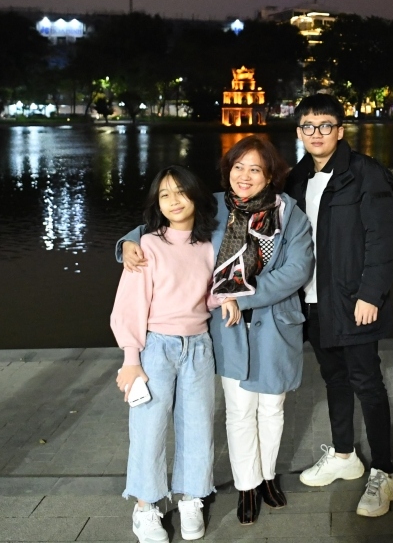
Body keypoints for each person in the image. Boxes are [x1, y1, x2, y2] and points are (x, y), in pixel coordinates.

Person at [117, 137, 314, 527]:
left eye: (255, 169)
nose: (245, 176)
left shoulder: (290, 214)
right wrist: (126, 243)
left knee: (272, 409)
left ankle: (268, 477)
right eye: (238, 167)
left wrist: (241, 298)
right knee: (239, 410)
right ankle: (246, 484)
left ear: (270, 174)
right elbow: (163, 225)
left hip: (274, 324)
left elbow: (297, 270)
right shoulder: (215, 205)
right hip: (228, 330)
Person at [287, 93, 393, 518]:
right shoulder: (296, 177)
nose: (316, 134)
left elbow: (384, 239)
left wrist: (371, 294)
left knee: (367, 383)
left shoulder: (365, 174)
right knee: (333, 380)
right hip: (312, 300)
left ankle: (385, 472)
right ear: (299, 132)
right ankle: (343, 456)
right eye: (307, 126)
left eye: (324, 125)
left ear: (340, 130)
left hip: (353, 301)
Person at [110, 166, 240, 543]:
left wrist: (225, 297)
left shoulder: (207, 245)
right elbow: (129, 306)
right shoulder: (148, 245)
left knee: (197, 424)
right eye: (164, 195)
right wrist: (131, 359)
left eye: (180, 193)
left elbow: (207, 289)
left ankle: (191, 498)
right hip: (156, 347)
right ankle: (145, 507)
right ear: (157, 203)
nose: (173, 201)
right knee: (149, 428)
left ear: (195, 197)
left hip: (198, 345)